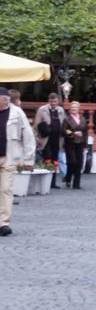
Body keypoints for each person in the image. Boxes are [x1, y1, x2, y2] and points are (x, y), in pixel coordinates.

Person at [0, 87, 35, 237]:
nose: (2, 105)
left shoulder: (17, 112)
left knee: (6, 189)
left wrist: (28, 159)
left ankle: (3, 223)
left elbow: (28, 136)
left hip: (9, 156)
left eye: (4, 102)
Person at [33, 93, 65, 188]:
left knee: (55, 161)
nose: (53, 103)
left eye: (55, 101)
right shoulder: (42, 110)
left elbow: (63, 123)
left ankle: (52, 182)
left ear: (58, 101)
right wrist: (36, 138)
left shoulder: (61, 110)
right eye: (51, 101)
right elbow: (36, 125)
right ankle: (45, 181)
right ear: (48, 101)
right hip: (45, 140)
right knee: (47, 159)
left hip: (57, 140)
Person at [61, 101, 87, 190]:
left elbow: (85, 132)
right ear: (70, 109)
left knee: (79, 163)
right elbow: (63, 132)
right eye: (72, 107)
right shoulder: (67, 119)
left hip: (80, 143)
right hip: (70, 143)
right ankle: (68, 178)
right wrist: (73, 133)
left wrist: (85, 144)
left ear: (78, 109)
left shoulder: (83, 118)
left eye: (75, 107)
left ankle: (76, 184)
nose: (73, 109)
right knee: (72, 162)